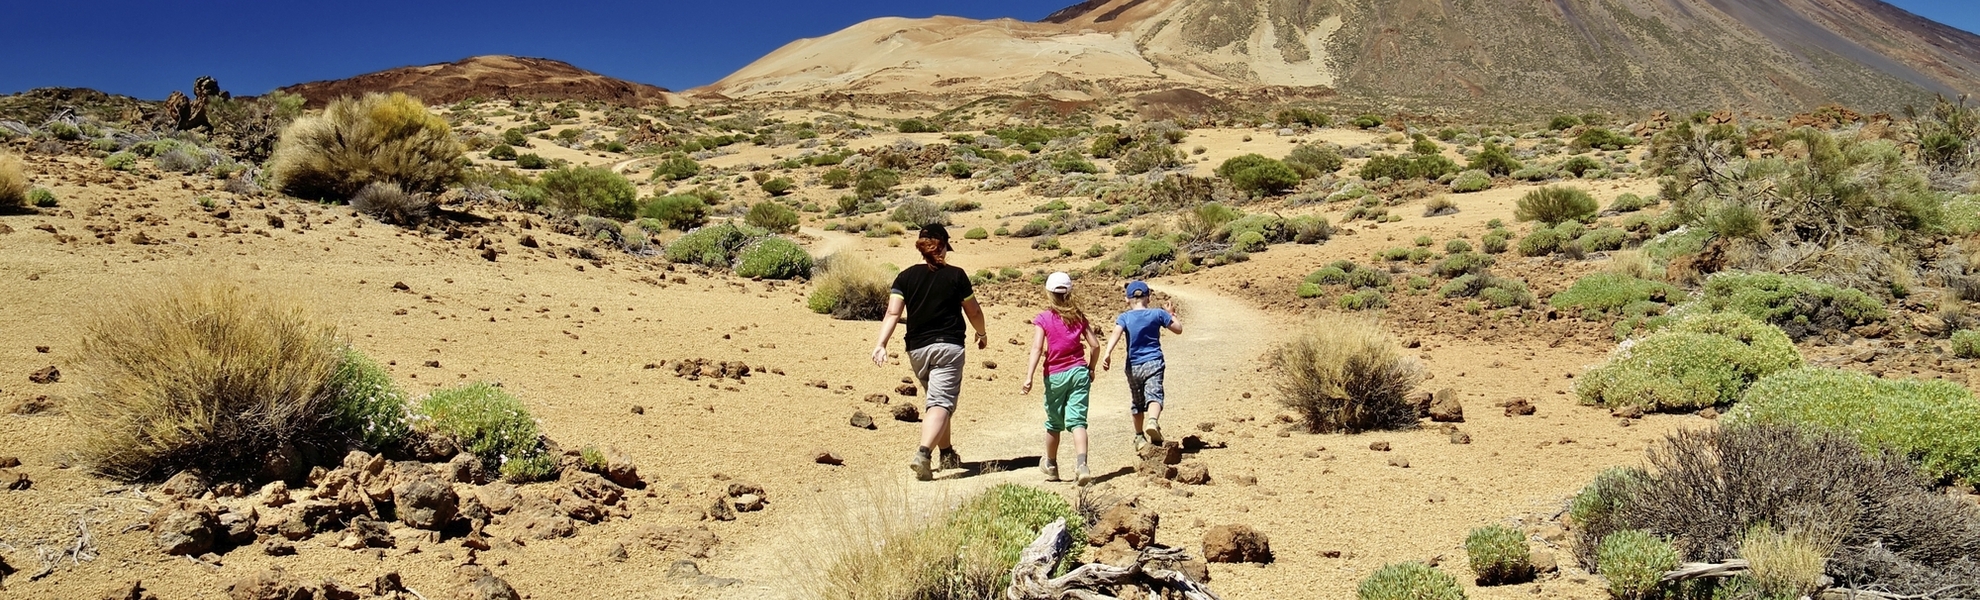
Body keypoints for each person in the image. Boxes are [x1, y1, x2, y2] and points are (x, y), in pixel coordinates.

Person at [871, 224, 988, 481]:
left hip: (917, 349)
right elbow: (974, 312)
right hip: (948, 347)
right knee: (940, 403)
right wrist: (981, 334)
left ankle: (946, 453)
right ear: (943, 247)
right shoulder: (957, 275)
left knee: (936, 400)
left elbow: (893, 313)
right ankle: (923, 454)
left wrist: (881, 344)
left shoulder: (905, 277)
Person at [1020, 272, 1101, 484]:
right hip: (1079, 372)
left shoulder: (1043, 318)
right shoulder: (1078, 316)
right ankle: (1082, 465)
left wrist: (1029, 377)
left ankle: (1051, 465)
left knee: (1054, 422)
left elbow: (1037, 348)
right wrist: (1091, 368)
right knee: (1078, 421)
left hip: (1055, 375)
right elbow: (1095, 345)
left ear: (1048, 293)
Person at [1100, 280, 1182, 449]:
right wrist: (1171, 314)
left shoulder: (1124, 317)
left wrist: (1108, 353)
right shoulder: (1158, 314)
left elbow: (1116, 333)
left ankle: (1139, 437)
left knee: (1137, 402)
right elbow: (1178, 329)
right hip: (1154, 362)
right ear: (1148, 298)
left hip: (1133, 366)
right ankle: (1152, 421)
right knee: (1155, 395)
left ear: (1126, 299)